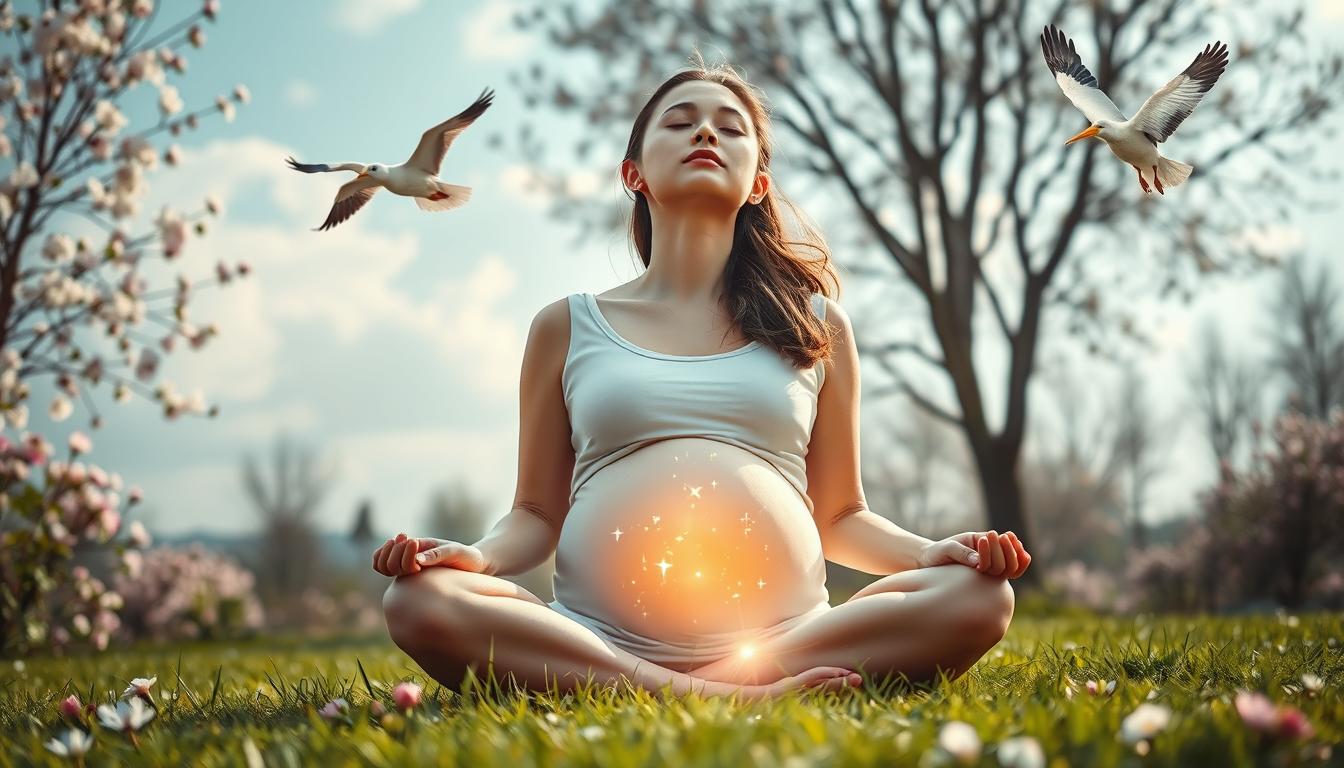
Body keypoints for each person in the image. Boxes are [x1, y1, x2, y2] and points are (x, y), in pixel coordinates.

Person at [375, 59, 1030, 702]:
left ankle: (710, 684)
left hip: (787, 634)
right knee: (418, 601)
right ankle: (715, 692)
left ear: (758, 186)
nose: (706, 134)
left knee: (977, 596)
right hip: (597, 637)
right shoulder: (565, 326)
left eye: (730, 127)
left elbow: (841, 516)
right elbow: (536, 514)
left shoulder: (817, 326)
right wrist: (476, 558)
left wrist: (930, 552)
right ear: (633, 174)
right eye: (680, 122)